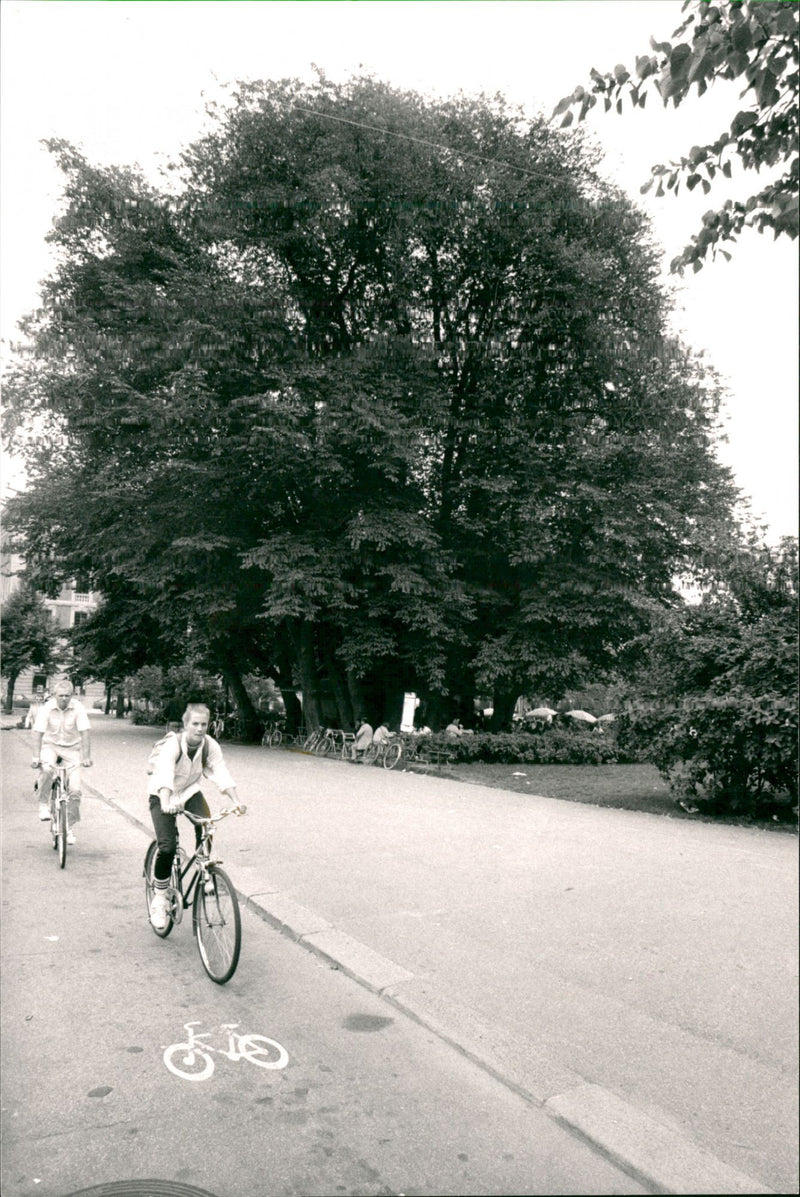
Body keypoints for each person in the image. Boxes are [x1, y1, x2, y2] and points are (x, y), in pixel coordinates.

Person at [147, 702, 240, 931]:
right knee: (167, 847)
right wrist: (167, 802)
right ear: (186, 724)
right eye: (195, 724)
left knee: (207, 824)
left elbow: (220, 771)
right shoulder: (173, 745)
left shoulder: (209, 745)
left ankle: (204, 868)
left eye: (204, 724)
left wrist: (236, 800)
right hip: (162, 794)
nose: (200, 729)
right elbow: (165, 774)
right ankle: (160, 899)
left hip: (189, 792)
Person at [31, 680, 92, 845]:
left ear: (72, 696)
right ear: (54, 695)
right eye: (61, 696)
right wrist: (36, 757)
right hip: (50, 747)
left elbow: (85, 733)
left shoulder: (78, 707)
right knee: (47, 770)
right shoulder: (47, 708)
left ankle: (69, 827)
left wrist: (86, 757)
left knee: (75, 790)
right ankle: (43, 804)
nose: (64, 699)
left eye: (67, 695)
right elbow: (37, 733)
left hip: (72, 750)